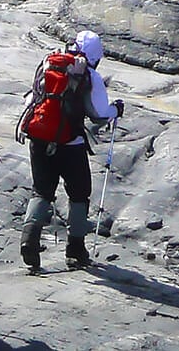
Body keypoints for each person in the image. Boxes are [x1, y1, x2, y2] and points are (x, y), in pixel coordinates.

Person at [21, 30, 122, 270]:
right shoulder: (89, 75)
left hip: (39, 138)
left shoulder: (49, 63)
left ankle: (29, 240)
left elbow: (32, 99)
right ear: (96, 56)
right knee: (79, 193)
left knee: (41, 191)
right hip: (70, 144)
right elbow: (98, 115)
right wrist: (115, 110)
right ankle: (75, 250)